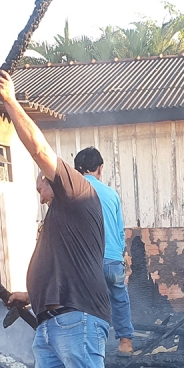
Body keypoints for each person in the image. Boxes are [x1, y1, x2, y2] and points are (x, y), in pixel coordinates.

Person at [0, 70, 149, 368]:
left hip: (77, 317)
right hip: (51, 318)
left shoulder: (77, 193)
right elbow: (63, 267)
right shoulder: (59, 217)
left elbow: (40, 147)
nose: (37, 187)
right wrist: (29, 295)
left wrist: (10, 103)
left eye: (41, 181)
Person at [73, 147, 135, 355]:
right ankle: (125, 342)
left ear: (76, 170)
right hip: (113, 260)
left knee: (85, 303)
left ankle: (90, 347)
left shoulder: (72, 192)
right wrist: (123, 265)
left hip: (87, 261)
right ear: (100, 168)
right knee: (119, 298)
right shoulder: (112, 194)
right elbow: (119, 233)